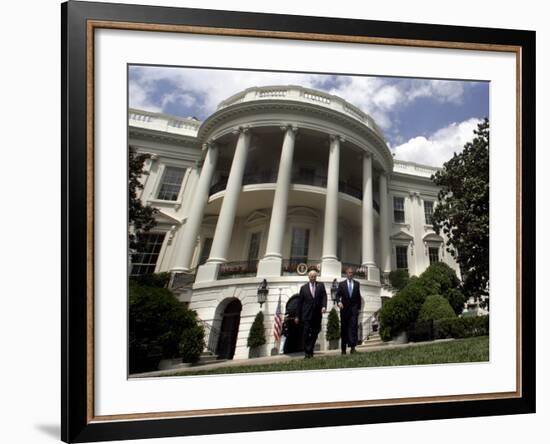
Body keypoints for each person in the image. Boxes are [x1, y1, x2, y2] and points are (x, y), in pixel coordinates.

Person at [295, 269, 327, 358]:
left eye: (314, 276)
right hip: (306, 315)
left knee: (315, 332)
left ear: (316, 277)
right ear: (308, 277)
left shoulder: (321, 285)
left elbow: (324, 296)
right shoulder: (303, 288)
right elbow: (300, 303)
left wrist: (324, 306)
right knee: (306, 333)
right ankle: (307, 352)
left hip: (317, 315)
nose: (313, 278)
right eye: (311, 276)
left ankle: (311, 350)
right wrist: (297, 316)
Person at [336, 267, 362, 354]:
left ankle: (353, 348)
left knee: (353, 328)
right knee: (344, 329)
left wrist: (358, 308)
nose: (350, 274)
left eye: (352, 273)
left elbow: (358, 297)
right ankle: (343, 350)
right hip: (344, 310)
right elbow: (337, 295)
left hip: (354, 310)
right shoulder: (341, 284)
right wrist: (339, 302)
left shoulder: (357, 284)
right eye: (349, 272)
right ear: (346, 274)